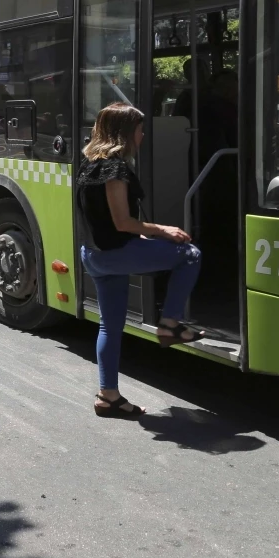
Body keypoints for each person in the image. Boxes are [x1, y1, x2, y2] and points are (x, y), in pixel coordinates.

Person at [76, 103, 203, 419]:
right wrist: (163, 230)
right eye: (140, 130)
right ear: (125, 133)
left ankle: (108, 397)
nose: (143, 136)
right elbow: (122, 222)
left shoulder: (88, 163)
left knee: (110, 325)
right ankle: (170, 324)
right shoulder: (115, 168)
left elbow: (104, 220)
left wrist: (143, 238)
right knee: (189, 255)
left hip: (94, 255)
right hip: (114, 254)